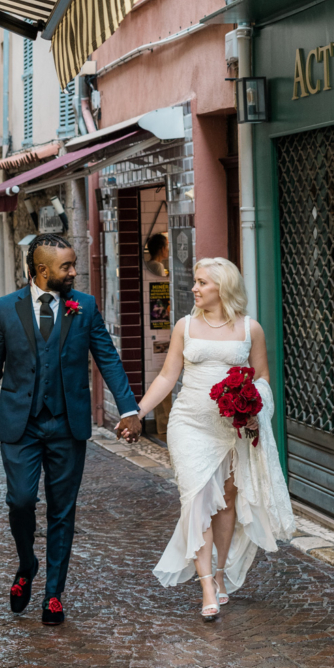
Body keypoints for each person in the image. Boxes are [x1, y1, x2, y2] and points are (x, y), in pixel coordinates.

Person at [0, 234, 143, 627]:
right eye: (67, 267)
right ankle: (27, 563)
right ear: (43, 270)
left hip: (67, 424)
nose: (74, 272)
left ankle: (53, 594)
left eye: (74, 265)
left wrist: (129, 408)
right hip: (21, 424)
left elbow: (108, 358)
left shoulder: (84, 306)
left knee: (62, 511)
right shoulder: (4, 309)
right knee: (20, 501)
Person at [127, 257, 294, 622]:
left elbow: (263, 380)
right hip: (188, 424)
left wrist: (251, 408)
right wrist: (137, 413)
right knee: (196, 499)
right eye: (196, 282)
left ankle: (219, 575)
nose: (194, 288)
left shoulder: (251, 329)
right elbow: (168, 377)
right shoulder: (185, 326)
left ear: (223, 287)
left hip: (231, 429)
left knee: (227, 500)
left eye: (202, 282)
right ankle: (205, 584)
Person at [144, 233, 173, 440]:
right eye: (167, 246)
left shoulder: (153, 266)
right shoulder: (157, 267)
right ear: (162, 248)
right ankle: (164, 427)